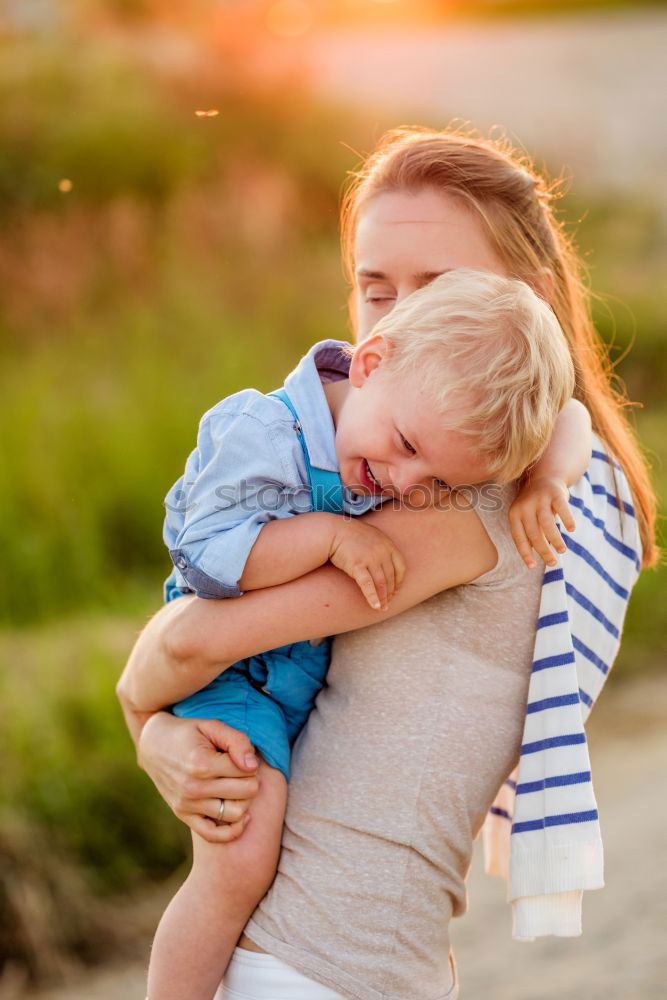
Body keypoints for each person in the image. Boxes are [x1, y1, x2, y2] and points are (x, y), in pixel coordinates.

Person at [117, 127, 656, 1000]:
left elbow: (186, 646)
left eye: (438, 287)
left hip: (305, 963)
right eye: (375, 289)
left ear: (529, 301)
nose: (400, 317)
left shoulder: (467, 489)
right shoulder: (550, 473)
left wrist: (141, 719)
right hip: (374, 964)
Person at [134, 269, 581, 1000]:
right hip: (239, 677)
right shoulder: (263, 431)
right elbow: (204, 556)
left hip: (285, 678)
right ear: (368, 362)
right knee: (239, 859)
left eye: (433, 482)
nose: (404, 486)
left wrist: (547, 479)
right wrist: (327, 536)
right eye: (404, 446)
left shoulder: (419, 423)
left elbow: (570, 415)